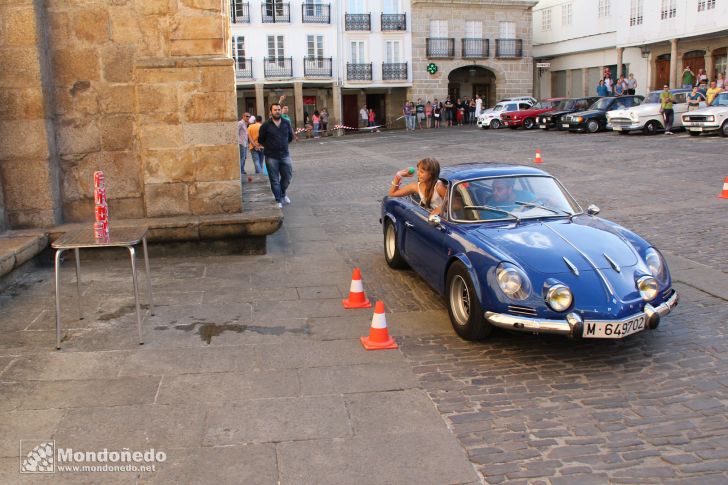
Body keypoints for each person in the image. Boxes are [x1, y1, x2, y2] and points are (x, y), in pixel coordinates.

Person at [258, 103, 294, 208]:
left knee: (287, 177)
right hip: (271, 156)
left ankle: (282, 193)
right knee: (274, 179)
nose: (277, 111)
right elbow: (261, 140)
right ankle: (278, 199)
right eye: (275, 110)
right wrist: (270, 146)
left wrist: (282, 145)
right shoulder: (265, 125)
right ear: (271, 112)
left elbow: (290, 137)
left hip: (285, 155)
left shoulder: (286, 123)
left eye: (278, 109)